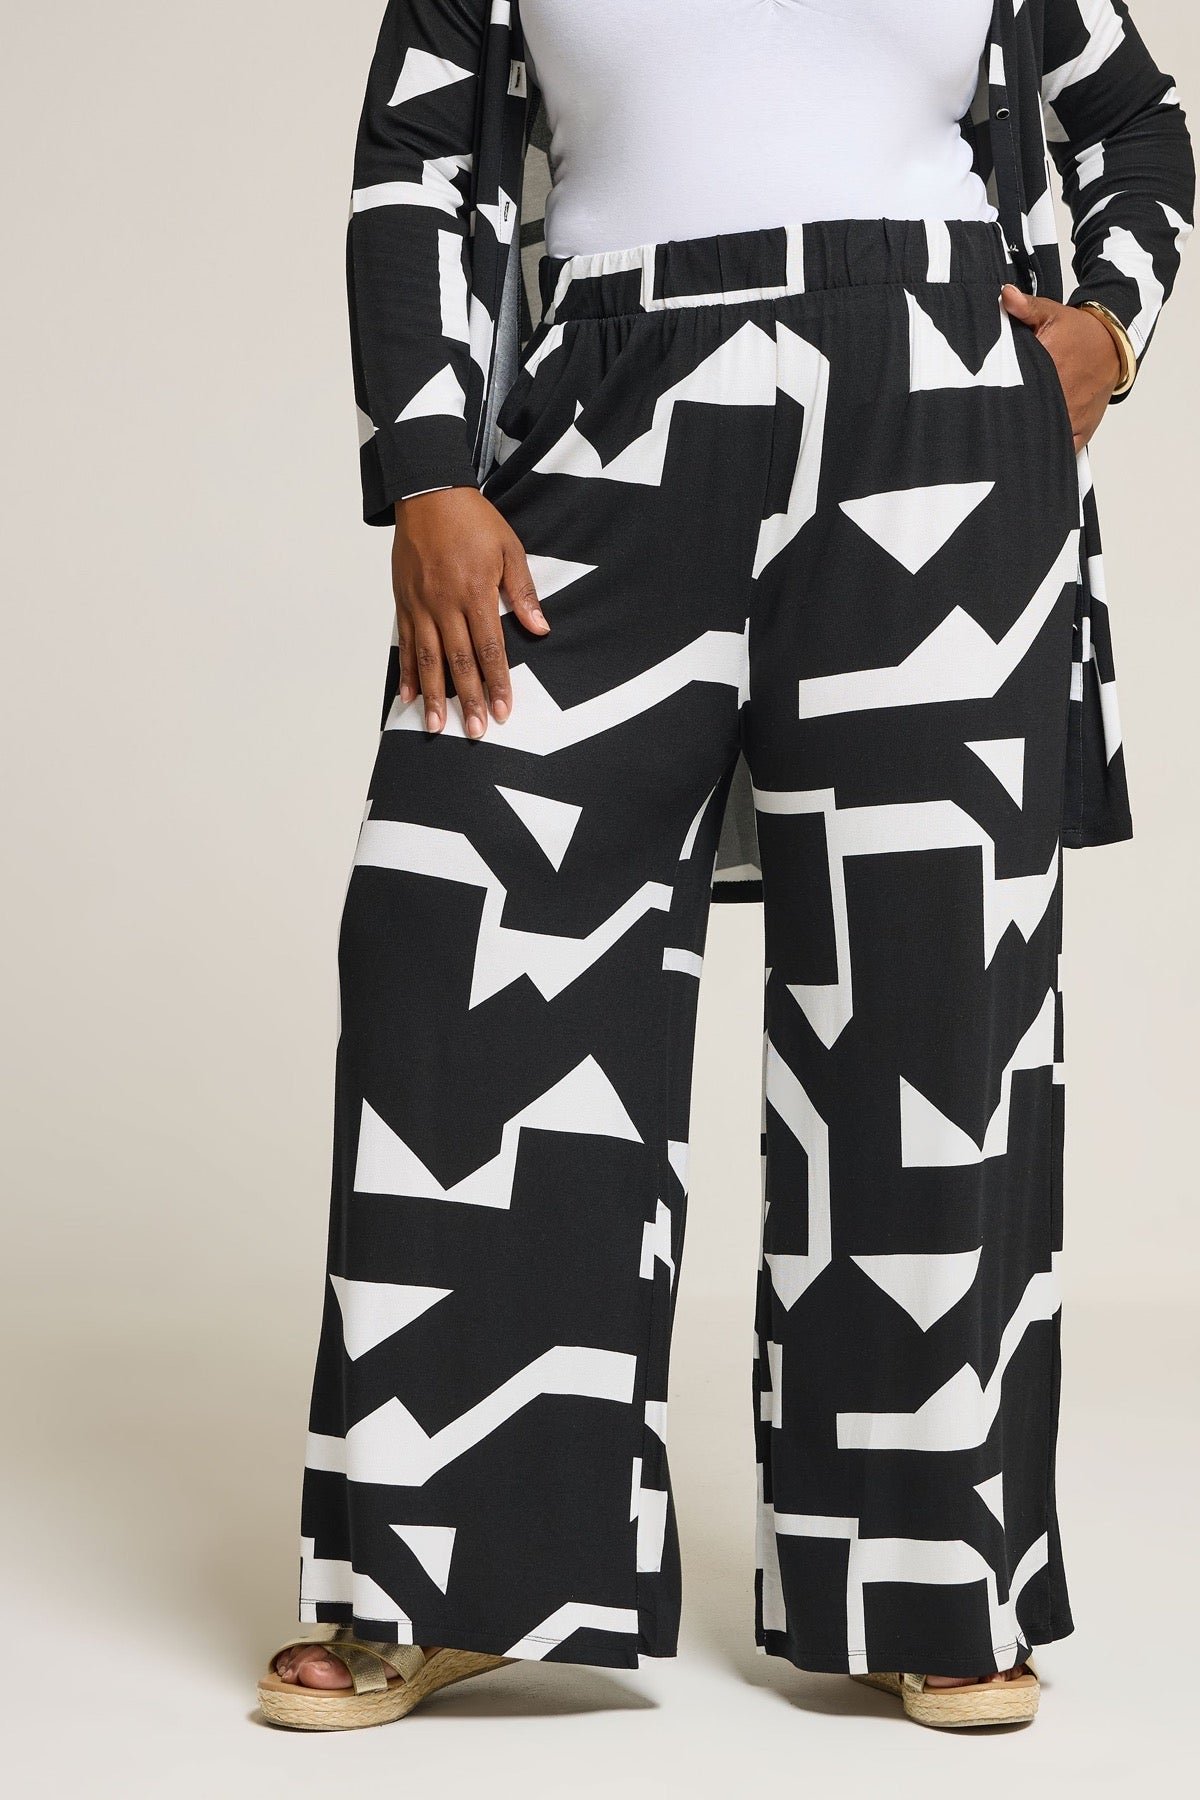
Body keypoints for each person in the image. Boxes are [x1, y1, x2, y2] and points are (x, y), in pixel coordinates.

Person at [258, 0, 1194, 1732]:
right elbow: (415, 158)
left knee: (931, 1005)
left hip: (935, 414)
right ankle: (455, 1568)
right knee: (460, 956)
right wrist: (429, 470)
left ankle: (931, 1578)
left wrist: (1111, 328)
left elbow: (1137, 124)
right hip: (608, 403)